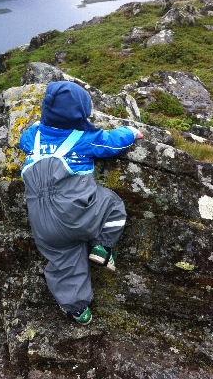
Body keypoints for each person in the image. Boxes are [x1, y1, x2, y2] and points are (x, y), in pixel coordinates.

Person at [19, 81, 143, 325]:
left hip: (43, 228)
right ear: (80, 116)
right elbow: (112, 142)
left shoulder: (31, 138)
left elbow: (23, 139)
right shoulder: (84, 140)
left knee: (65, 264)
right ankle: (102, 248)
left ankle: (78, 310)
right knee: (113, 204)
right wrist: (131, 132)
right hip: (79, 216)